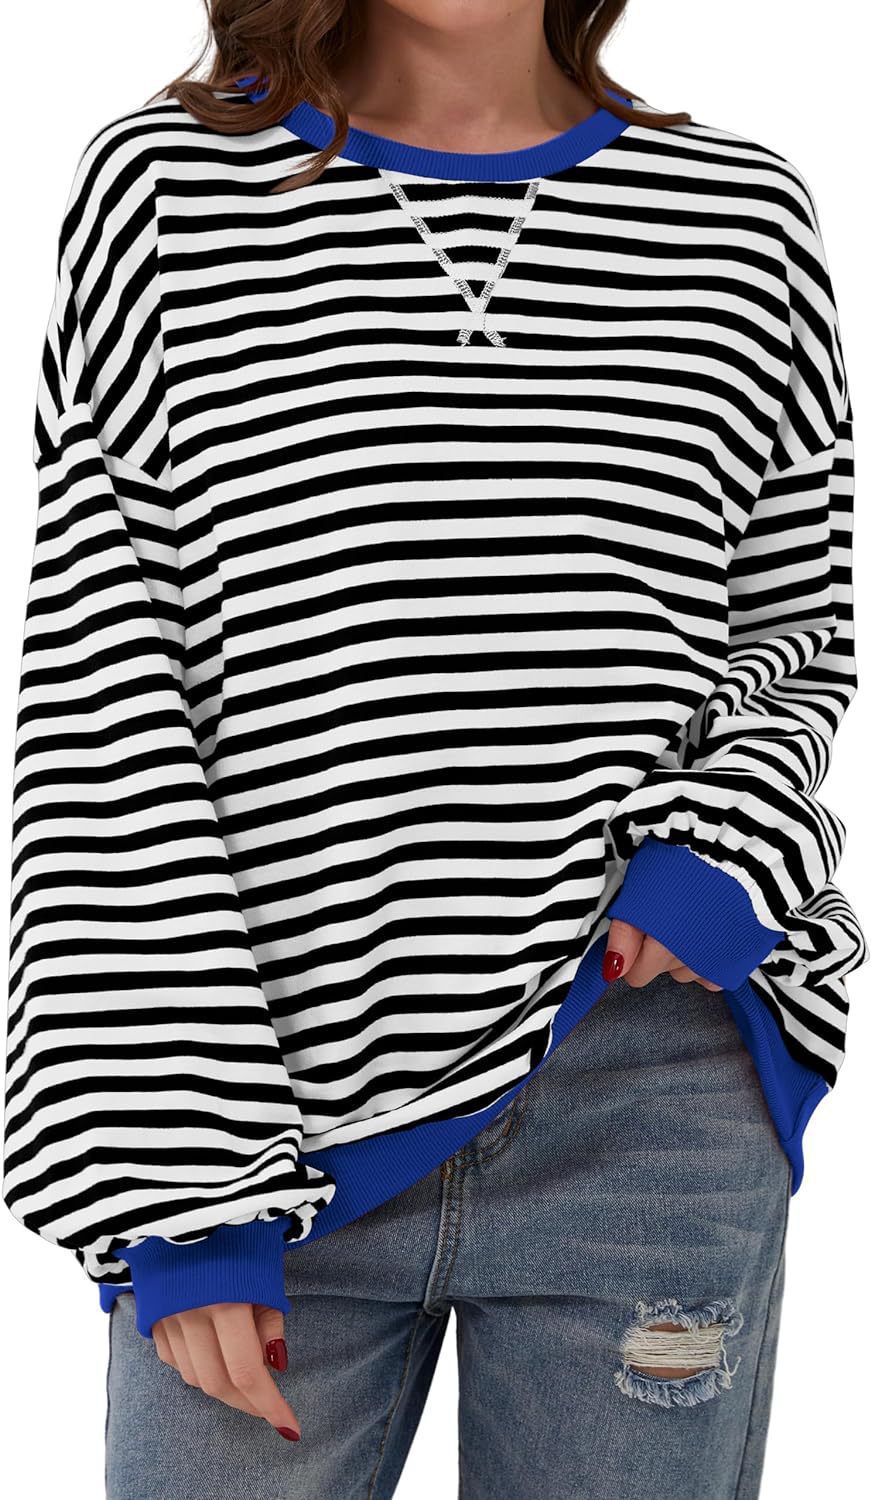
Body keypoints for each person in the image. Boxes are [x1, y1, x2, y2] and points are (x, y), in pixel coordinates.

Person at [4, 2, 866, 1496]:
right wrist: (176, 1181)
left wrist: (719, 851)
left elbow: (799, 622)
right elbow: (103, 681)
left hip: (641, 1079)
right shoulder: (168, 194)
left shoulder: (740, 217)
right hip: (265, 1107)